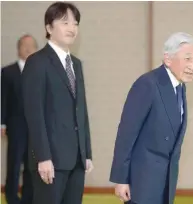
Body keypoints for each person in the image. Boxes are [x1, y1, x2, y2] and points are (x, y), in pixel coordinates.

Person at [109, 32, 193, 204]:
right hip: (142, 182)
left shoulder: (180, 88)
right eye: (187, 59)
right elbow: (126, 133)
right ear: (167, 59)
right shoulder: (148, 84)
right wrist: (121, 179)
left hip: (165, 182)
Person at [21, 2, 93, 204]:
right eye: (65, 22)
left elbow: (81, 110)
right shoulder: (37, 62)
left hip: (76, 159)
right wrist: (43, 157)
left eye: (75, 23)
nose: (72, 28)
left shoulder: (76, 64)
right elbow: (34, 114)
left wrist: (86, 152)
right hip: (50, 160)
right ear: (49, 27)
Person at [1, 34, 37, 204]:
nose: (29, 49)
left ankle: (28, 198)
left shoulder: (41, 72)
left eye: (32, 46)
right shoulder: (8, 72)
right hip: (16, 126)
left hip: (35, 128)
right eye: (25, 45)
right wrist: (2, 122)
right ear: (18, 49)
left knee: (32, 166)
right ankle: (12, 197)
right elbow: (3, 99)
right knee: (14, 164)